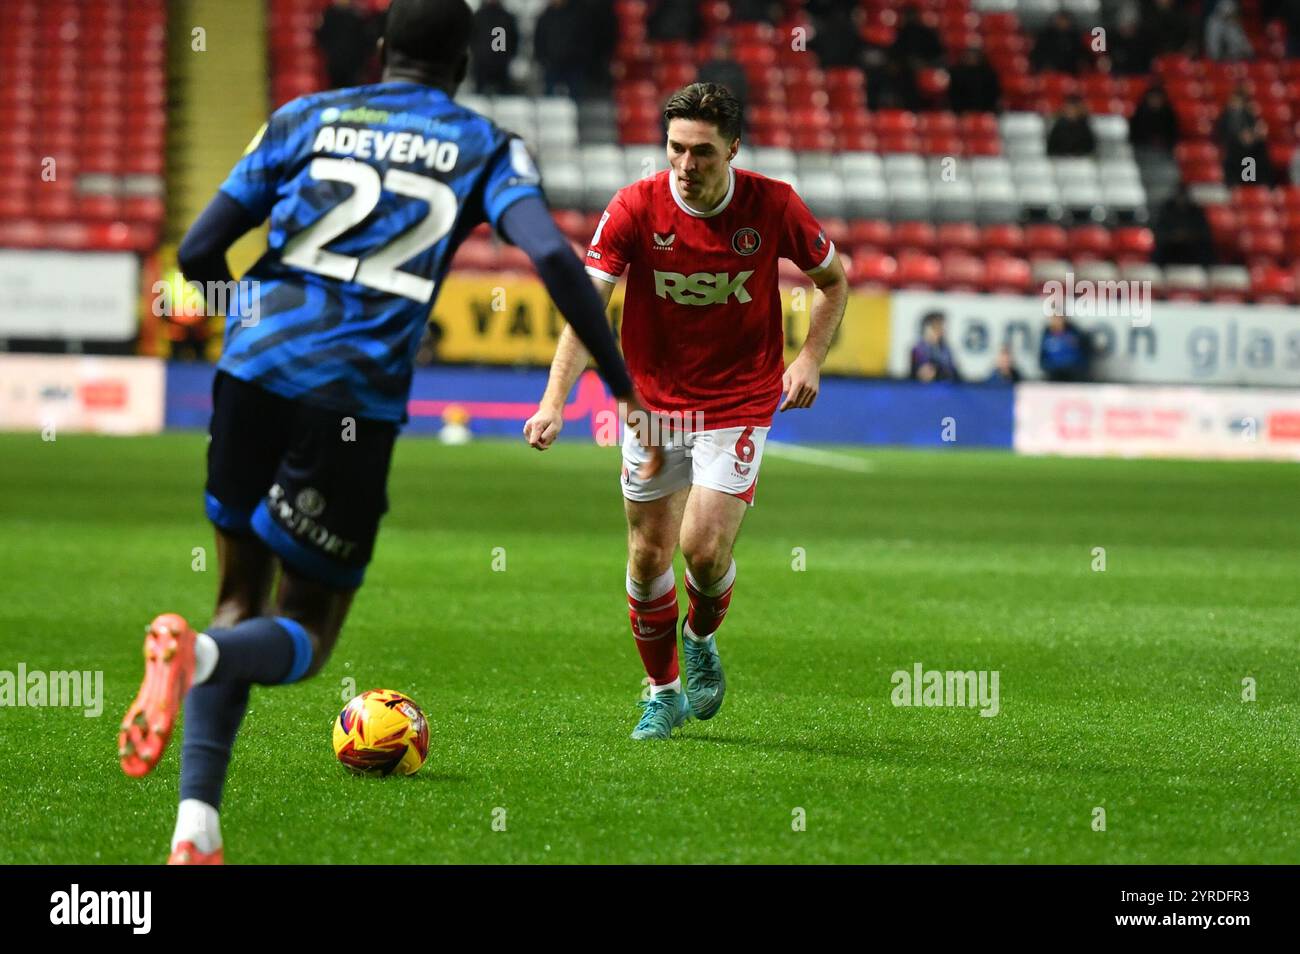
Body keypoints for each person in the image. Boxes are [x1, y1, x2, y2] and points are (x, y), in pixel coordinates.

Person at [119, 0, 655, 865]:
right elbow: (556, 258)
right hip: (351, 401)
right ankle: (204, 665)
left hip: (251, 375)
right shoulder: (484, 146)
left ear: (379, 51)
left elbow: (198, 250)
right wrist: (620, 383)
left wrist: (246, 318)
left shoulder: (305, 117)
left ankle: (195, 831)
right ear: (465, 65)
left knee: (233, 597)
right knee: (305, 634)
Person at [522, 83, 849, 741]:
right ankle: (662, 693)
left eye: (702, 152)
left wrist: (810, 357)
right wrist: (554, 400)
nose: (686, 165)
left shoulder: (774, 204)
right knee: (647, 558)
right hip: (651, 405)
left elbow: (833, 280)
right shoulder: (633, 209)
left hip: (738, 399)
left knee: (701, 550)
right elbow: (589, 312)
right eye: (676, 148)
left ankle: (700, 635)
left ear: (733, 147)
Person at [316, 0, 377, 89]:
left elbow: (365, 42)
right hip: (334, 65)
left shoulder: (358, 16)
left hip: (353, 67)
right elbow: (321, 37)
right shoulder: (328, 15)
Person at [533, 0, 589, 98]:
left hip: (573, 65)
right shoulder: (545, 17)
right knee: (550, 100)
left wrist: (579, 57)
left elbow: (585, 39)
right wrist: (543, 60)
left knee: (575, 97)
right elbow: (539, 40)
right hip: (551, 65)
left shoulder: (577, 15)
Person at [1152, 186, 1214, 266]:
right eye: (1180, 196)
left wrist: (1188, 236)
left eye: (1184, 197)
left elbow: (1203, 232)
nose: (1182, 200)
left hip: (1192, 247)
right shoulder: (1167, 210)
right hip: (1170, 247)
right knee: (1159, 249)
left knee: (1205, 249)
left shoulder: (1196, 211)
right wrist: (1174, 236)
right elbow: (1160, 232)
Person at [469, 0, 519, 94]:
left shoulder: (506, 17)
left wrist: (508, 55)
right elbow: (472, 37)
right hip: (482, 62)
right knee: (480, 95)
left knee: (503, 95)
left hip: (500, 63)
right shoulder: (479, 16)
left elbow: (513, 38)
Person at [1039, 309, 1093, 382]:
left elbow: (1084, 353)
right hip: (1054, 372)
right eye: (1054, 318)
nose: (1056, 321)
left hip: (1073, 372)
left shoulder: (1074, 333)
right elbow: (1043, 356)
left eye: (1059, 318)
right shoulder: (1047, 334)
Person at [909, 311, 961, 382]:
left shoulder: (946, 349)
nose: (941, 330)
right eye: (936, 327)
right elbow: (924, 373)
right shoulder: (919, 349)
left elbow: (953, 371)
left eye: (941, 327)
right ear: (927, 329)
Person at [948, 47, 1001, 114]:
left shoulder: (988, 74)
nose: (971, 59)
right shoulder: (956, 73)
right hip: (960, 112)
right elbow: (953, 95)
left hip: (985, 111)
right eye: (969, 57)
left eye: (974, 57)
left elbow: (993, 94)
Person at [1128, 85, 1179, 153]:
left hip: (1164, 151)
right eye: (1152, 97)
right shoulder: (1139, 114)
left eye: (1157, 98)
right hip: (1142, 151)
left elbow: (1172, 135)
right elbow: (1134, 136)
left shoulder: (1168, 114)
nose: (1155, 101)